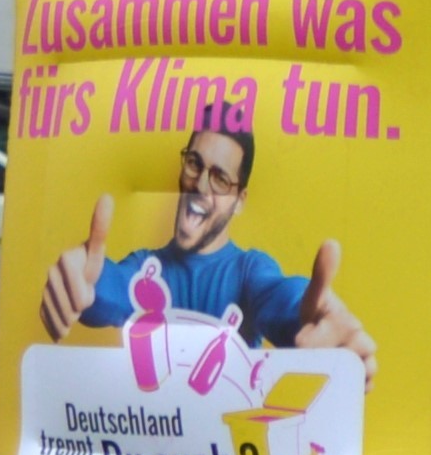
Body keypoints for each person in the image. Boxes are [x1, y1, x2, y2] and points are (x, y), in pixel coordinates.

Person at [37, 114, 372, 355]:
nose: (199, 184)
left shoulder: (248, 271)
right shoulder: (146, 267)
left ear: (239, 201)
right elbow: (114, 288)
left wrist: (308, 316)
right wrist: (84, 280)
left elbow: (280, 296)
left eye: (220, 179)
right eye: (194, 164)